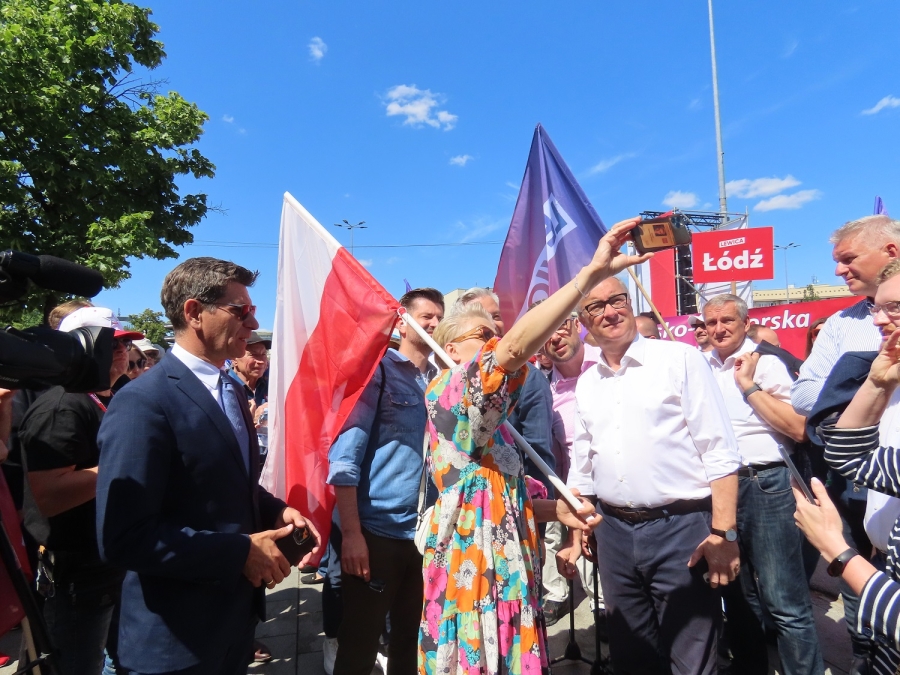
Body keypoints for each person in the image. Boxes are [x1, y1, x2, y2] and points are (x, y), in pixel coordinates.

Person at [419, 218, 645, 675]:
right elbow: (514, 349)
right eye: (483, 336)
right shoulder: (449, 393)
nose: (496, 342)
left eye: (495, 334)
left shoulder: (495, 422)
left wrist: (555, 510)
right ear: (450, 348)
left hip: (508, 567)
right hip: (473, 572)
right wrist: (588, 278)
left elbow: (495, 495)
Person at [95, 257, 319, 675]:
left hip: (233, 625)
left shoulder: (230, 389)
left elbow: (229, 482)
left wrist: (276, 510)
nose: (253, 324)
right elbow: (123, 536)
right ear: (195, 312)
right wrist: (239, 552)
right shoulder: (143, 402)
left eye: (252, 311)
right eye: (241, 311)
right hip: (176, 640)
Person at [560, 275, 742, 675]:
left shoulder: (680, 360)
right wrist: (576, 534)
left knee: (691, 658)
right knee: (631, 656)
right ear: (583, 321)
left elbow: (720, 452)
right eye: (596, 306)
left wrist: (724, 534)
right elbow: (583, 464)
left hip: (682, 532)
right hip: (613, 535)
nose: (610, 312)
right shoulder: (588, 382)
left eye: (617, 300)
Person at [791, 214, 900, 672]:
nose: (880, 323)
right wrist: (873, 381)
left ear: (891, 253)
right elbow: (839, 444)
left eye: (894, 310)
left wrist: (838, 552)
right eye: (878, 312)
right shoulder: (843, 324)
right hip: (869, 512)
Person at [325, 287, 443, 675]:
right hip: (378, 532)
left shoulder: (442, 381)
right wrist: (352, 535)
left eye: (439, 317)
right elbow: (344, 461)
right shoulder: (378, 372)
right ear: (402, 323)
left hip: (426, 533)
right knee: (360, 641)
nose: (434, 324)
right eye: (426, 316)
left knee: (413, 639)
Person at [703, 294, 823, 674]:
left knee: (784, 600)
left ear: (745, 323)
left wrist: (748, 386)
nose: (719, 329)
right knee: (737, 596)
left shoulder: (766, 363)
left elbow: (799, 428)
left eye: (727, 320)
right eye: (711, 322)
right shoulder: (700, 367)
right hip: (720, 490)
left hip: (765, 484)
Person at [18, 306, 141, 675]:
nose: (121, 352)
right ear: (81, 348)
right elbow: (50, 494)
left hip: (108, 560)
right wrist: (126, 462)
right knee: (73, 664)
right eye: (110, 344)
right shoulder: (62, 406)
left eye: (124, 344)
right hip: (77, 573)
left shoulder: (108, 397)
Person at [540, 309, 606, 630]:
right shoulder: (546, 390)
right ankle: (595, 604)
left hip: (624, 493)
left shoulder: (609, 364)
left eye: (562, 325)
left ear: (577, 325)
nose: (555, 337)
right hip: (577, 491)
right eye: (545, 333)